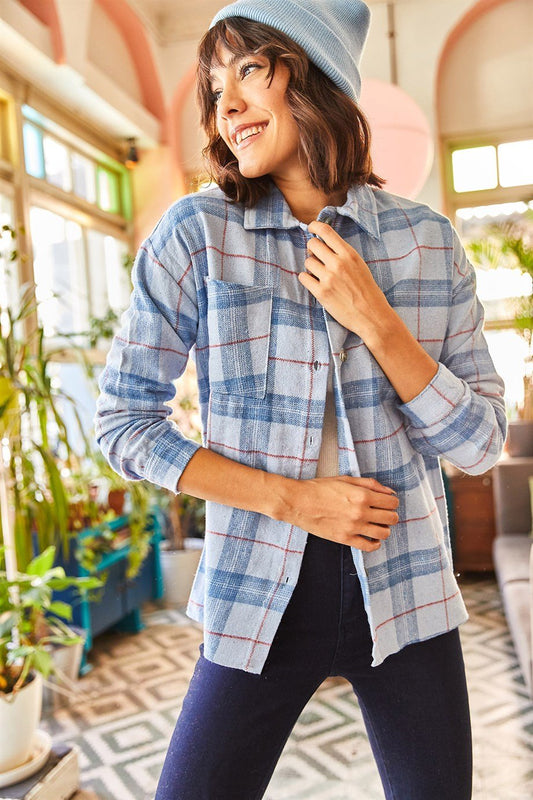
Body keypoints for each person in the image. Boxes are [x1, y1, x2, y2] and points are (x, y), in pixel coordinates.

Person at [95, 1, 507, 797]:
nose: (229, 106)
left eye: (250, 71)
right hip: (256, 591)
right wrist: (294, 500)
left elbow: (480, 444)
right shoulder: (196, 236)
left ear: (314, 76)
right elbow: (123, 423)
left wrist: (379, 323)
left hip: (409, 592)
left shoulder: (425, 242)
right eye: (216, 90)